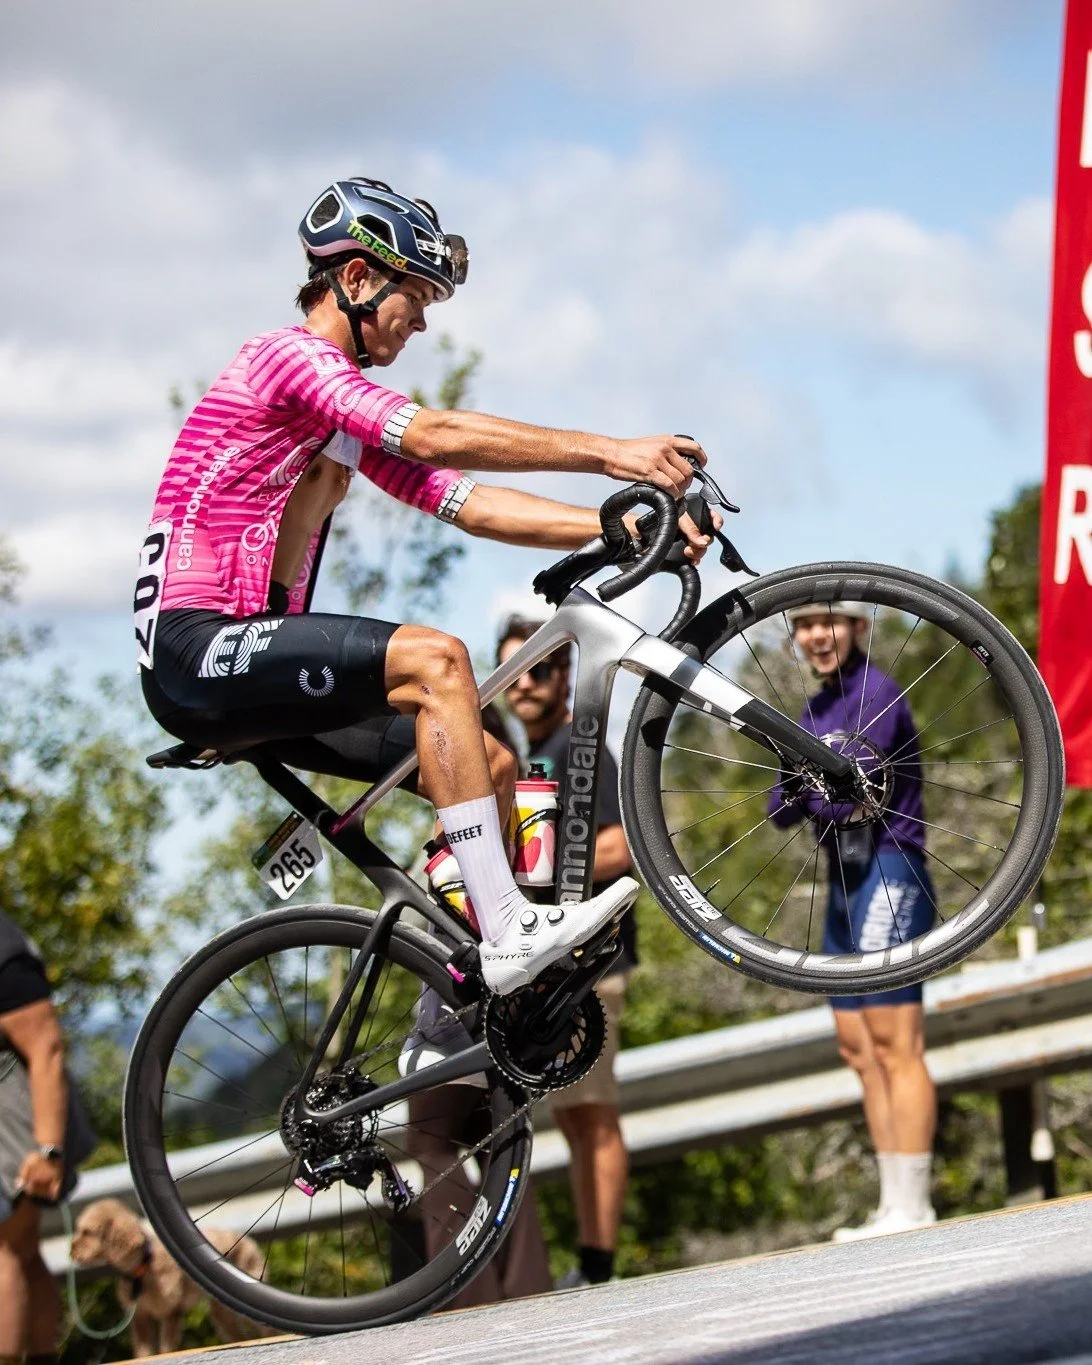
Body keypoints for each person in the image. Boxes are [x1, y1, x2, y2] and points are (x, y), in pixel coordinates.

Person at [136, 175, 717, 997]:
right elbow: (434, 429)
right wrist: (613, 452)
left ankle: (461, 1011)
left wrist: (612, 524)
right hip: (196, 649)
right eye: (417, 296)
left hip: (251, 660)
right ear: (360, 279)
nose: (424, 319)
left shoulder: (334, 417)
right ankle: (513, 931)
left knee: (487, 761)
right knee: (437, 661)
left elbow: (468, 502)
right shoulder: (287, 359)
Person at [768, 603, 938, 1240]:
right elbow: (781, 811)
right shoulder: (813, 711)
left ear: (858, 627)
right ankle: (893, 1204)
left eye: (829, 621)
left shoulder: (879, 692)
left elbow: (852, 788)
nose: (816, 635)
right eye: (805, 624)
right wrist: (794, 775)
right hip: (842, 880)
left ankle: (915, 1206)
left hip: (891, 869)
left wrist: (802, 779)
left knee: (897, 1042)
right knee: (859, 1048)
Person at [496, 614, 635, 1288]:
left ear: (563, 676)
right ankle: (590, 1262)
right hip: (553, 964)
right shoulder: (531, 752)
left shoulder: (584, 748)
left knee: (592, 1112)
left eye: (539, 668)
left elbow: (624, 843)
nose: (523, 683)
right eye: (512, 670)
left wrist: (544, 869)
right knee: (573, 1118)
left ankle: (599, 1266)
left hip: (591, 958)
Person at [0, 913, 70, 1365]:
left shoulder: (2, 948)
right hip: (18, 1110)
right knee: (22, 1251)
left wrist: (48, 1150)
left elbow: (45, 1043)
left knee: (2, 1248)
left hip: (17, 1111)